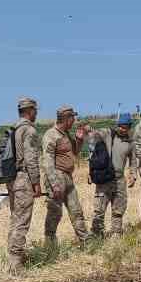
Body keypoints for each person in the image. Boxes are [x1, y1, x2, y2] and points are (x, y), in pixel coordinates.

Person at [42, 106, 89, 247]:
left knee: (76, 211)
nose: (74, 121)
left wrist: (80, 140)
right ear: (66, 119)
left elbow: (75, 152)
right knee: (55, 213)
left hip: (68, 177)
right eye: (72, 118)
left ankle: (86, 241)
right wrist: (54, 183)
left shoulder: (66, 134)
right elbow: (47, 161)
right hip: (57, 176)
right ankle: (50, 244)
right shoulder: (51, 135)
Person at [6, 97, 42, 272]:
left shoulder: (14, 129)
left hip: (12, 179)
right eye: (36, 110)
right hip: (24, 178)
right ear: (30, 110)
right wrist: (36, 182)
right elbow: (31, 159)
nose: (37, 113)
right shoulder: (29, 131)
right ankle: (16, 263)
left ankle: (13, 256)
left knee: (15, 219)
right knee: (22, 221)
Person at [87, 113, 136, 237]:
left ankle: (116, 234)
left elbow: (133, 161)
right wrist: (90, 130)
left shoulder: (130, 142)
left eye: (125, 127)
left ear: (129, 127)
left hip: (119, 180)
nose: (122, 129)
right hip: (104, 179)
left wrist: (133, 175)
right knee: (99, 209)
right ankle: (96, 235)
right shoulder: (108, 134)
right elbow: (94, 136)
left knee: (118, 210)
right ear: (117, 125)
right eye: (121, 126)